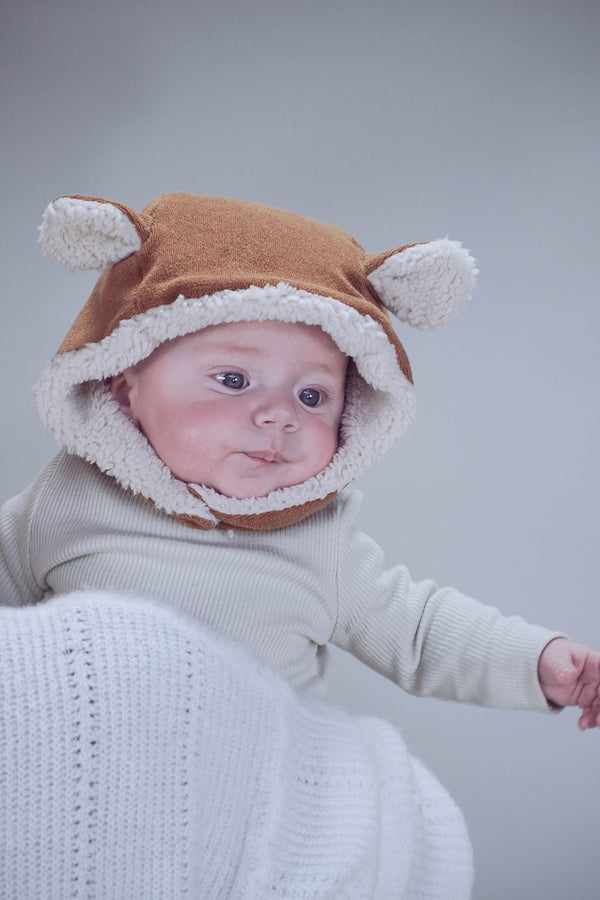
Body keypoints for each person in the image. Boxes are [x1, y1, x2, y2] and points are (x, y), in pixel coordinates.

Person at [2, 191, 599, 727]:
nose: (280, 415)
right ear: (122, 382)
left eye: (312, 395)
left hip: (253, 801)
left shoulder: (321, 541)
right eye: (234, 379)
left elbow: (420, 629)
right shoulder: (65, 500)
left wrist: (539, 661)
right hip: (75, 773)